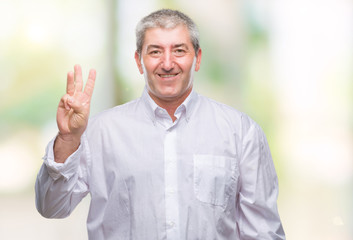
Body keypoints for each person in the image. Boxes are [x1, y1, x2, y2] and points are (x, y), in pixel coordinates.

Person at [35, 9, 285, 240]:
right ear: (138, 60)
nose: (167, 63)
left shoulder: (241, 132)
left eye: (179, 50)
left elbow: (263, 232)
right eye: (155, 51)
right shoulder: (100, 132)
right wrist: (68, 139)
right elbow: (51, 207)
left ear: (197, 58)